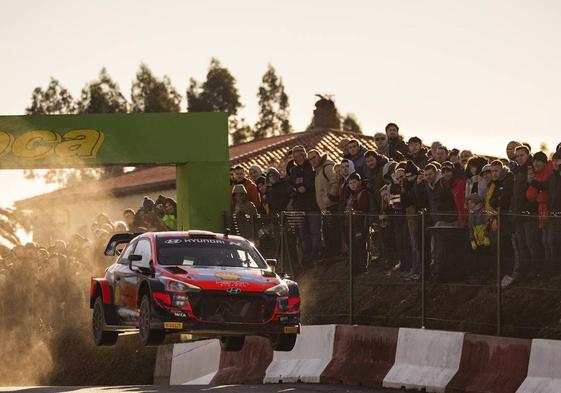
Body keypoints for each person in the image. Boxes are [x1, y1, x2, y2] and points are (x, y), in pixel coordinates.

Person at [510, 145, 544, 278]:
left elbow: (536, 191)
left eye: (521, 155)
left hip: (530, 213)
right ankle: (525, 271)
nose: (519, 158)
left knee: (532, 243)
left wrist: (529, 207)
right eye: (517, 156)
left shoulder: (532, 169)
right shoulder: (518, 171)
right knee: (522, 244)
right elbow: (516, 194)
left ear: (528, 155)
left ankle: (535, 271)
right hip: (518, 213)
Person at [288, 145, 321, 263]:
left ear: (304, 155)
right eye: (295, 157)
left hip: (313, 206)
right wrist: (297, 189)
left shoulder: (312, 167)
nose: (298, 158)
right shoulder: (294, 170)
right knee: (303, 233)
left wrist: (305, 187)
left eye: (300, 155)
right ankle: (306, 256)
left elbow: (315, 182)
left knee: (315, 232)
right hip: (300, 207)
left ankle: (316, 254)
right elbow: (290, 185)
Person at [308, 149, 340, 257]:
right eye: (310, 159)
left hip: (331, 206)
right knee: (327, 233)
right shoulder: (317, 170)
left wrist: (330, 197)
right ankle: (331, 256)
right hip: (324, 208)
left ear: (319, 156)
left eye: (313, 157)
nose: (312, 160)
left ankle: (336, 255)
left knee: (333, 232)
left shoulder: (327, 167)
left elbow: (335, 181)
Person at [526, 151, 553, 270]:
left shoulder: (550, 172)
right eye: (534, 161)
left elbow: (545, 193)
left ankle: (552, 269)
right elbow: (531, 195)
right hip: (542, 211)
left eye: (539, 161)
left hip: (551, 211)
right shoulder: (536, 175)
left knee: (550, 241)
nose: (536, 163)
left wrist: (536, 187)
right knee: (545, 241)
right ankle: (548, 269)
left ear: (544, 162)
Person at [343, 172, 370, 274]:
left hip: (360, 225)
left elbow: (362, 209)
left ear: (359, 182)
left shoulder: (363, 193)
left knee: (361, 246)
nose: (353, 185)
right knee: (353, 247)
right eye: (350, 183)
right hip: (350, 224)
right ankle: (354, 268)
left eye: (354, 182)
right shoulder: (350, 195)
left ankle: (362, 268)